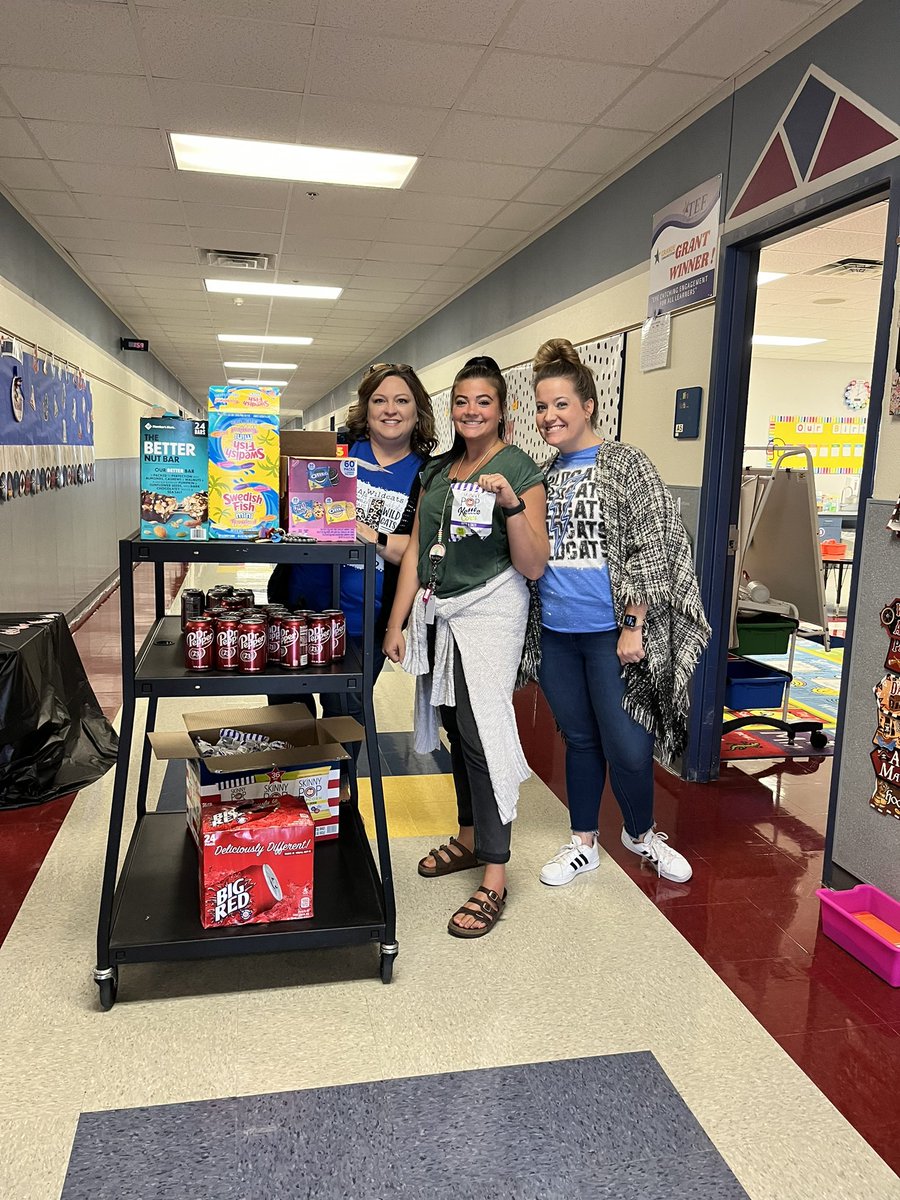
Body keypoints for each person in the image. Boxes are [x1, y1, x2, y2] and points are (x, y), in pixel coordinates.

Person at [530, 338, 710, 887]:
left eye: (561, 404)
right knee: (579, 740)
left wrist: (634, 623)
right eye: (541, 406)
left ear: (588, 405)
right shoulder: (541, 473)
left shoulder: (626, 464)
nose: (549, 416)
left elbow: (652, 546)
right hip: (559, 634)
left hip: (614, 633)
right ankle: (583, 841)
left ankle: (643, 833)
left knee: (630, 743)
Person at [383, 356, 549, 938]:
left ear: (503, 409)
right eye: (461, 401)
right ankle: (470, 834)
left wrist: (509, 504)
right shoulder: (435, 473)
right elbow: (416, 554)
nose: (471, 411)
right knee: (454, 722)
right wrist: (395, 623)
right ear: (450, 408)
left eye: (483, 401)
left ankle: (496, 874)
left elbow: (532, 564)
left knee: (484, 733)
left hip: (492, 612)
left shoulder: (519, 469)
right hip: (439, 612)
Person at [269, 362, 436, 720]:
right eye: (380, 400)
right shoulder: (336, 450)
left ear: (418, 410)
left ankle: (339, 780)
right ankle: (294, 778)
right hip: (297, 608)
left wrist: (364, 532)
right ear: (366, 408)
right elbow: (292, 506)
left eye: (402, 401)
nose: (390, 410)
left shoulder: (428, 475)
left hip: (363, 623)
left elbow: (419, 551)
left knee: (345, 717)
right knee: (288, 716)